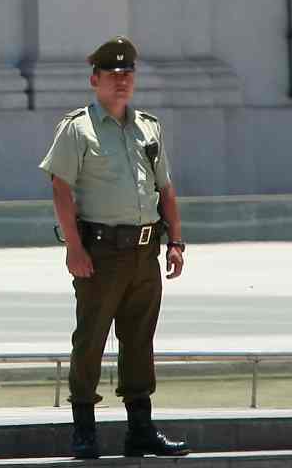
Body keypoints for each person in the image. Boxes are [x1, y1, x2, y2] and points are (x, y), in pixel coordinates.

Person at [38, 36, 191, 459]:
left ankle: (140, 428)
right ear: (95, 79)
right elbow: (60, 188)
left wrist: (175, 241)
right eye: (113, 74)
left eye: (128, 74)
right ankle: (84, 430)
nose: (122, 81)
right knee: (90, 338)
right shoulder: (78, 128)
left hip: (145, 251)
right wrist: (73, 248)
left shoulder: (148, 127)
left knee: (140, 339)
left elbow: (164, 187)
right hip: (101, 252)